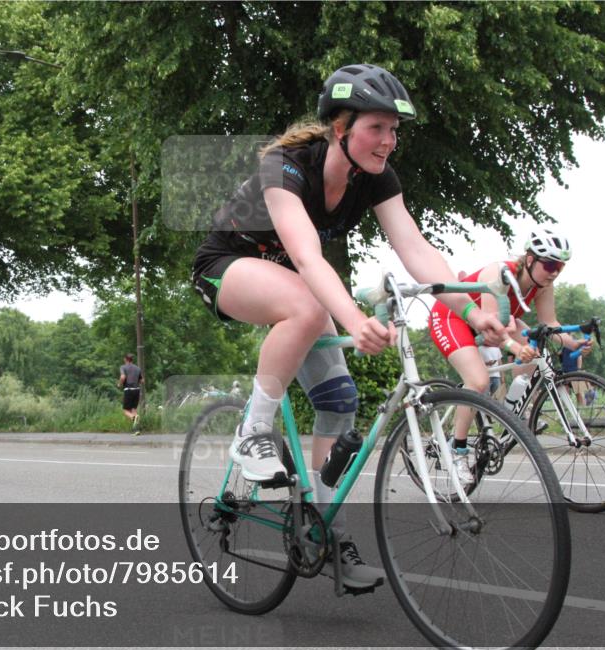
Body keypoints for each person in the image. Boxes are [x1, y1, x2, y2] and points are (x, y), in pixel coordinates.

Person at [191, 64, 505, 589]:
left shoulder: (376, 178)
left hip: (294, 282)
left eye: (394, 130)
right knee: (309, 306)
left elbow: (414, 248)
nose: (388, 141)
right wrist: (354, 319)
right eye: (376, 128)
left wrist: (470, 312)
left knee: (339, 401)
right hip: (227, 267)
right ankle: (252, 432)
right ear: (341, 128)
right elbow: (308, 258)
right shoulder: (285, 167)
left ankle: (320, 529)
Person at [428, 227, 591, 484]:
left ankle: (508, 410)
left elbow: (550, 324)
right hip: (453, 317)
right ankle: (456, 451)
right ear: (530, 259)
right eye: (550, 265)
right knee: (478, 382)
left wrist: (573, 343)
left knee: (536, 350)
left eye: (560, 266)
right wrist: (514, 348)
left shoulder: (543, 285)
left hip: (496, 325)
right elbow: (491, 326)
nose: (555, 272)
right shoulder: (500, 274)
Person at [118, 354, 144, 435]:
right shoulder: (138, 368)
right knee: (133, 410)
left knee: (126, 410)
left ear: (125, 359)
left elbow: (123, 377)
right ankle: (137, 430)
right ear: (132, 360)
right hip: (137, 390)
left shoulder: (123, 367)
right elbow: (142, 381)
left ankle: (134, 417)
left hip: (128, 390)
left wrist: (119, 384)